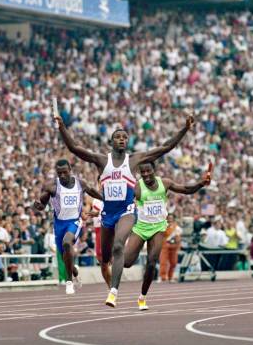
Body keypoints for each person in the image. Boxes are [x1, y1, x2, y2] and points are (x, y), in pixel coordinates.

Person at [55, 112, 195, 307]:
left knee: (119, 245)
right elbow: (74, 148)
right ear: (111, 142)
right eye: (118, 137)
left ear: (127, 142)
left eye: (124, 137)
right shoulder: (102, 161)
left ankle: (113, 293)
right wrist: (62, 126)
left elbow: (165, 147)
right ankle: (108, 280)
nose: (122, 140)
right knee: (105, 259)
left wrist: (185, 129)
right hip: (107, 215)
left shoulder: (135, 160)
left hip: (127, 211)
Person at [123, 161, 211, 310]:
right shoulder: (137, 187)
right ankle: (126, 254)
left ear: (154, 171)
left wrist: (201, 184)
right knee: (126, 262)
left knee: (151, 262)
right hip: (141, 227)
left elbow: (186, 189)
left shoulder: (165, 183)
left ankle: (142, 298)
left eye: (148, 171)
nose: (145, 175)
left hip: (158, 227)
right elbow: (122, 201)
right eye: (142, 172)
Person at [33, 159, 102, 295]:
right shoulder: (52, 187)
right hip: (59, 224)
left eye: (65, 172)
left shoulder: (79, 183)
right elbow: (42, 205)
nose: (63, 176)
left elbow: (92, 190)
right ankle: (74, 271)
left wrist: (105, 200)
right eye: (60, 173)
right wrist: (38, 206)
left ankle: (68, 282)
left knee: (67, 243)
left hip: (74, 222)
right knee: (65, 256)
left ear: (70, 170)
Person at [159, 213, 181, 283]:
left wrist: (177, 242)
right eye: (169, 218)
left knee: (173, 263)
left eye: (171, 218)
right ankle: (162, 277)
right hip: (165, 246)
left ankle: (170, 277)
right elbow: (161, 235)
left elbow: (178, 237)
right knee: (163, 262)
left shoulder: (176, 227)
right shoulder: (163, 226)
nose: (170, 219)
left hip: (174, 247)